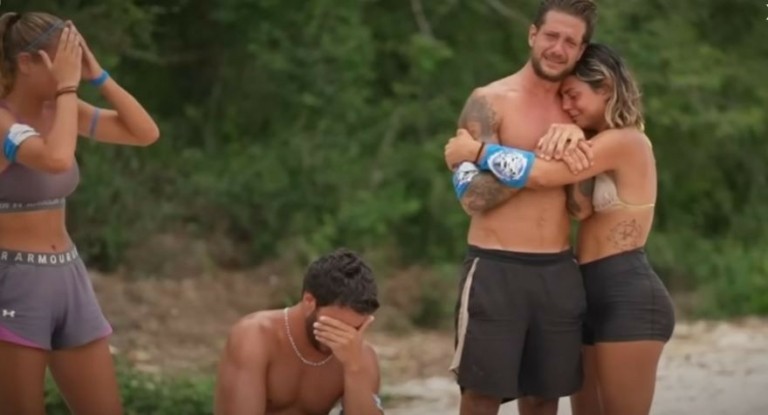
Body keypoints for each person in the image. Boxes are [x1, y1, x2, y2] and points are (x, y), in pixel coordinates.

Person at [445, 43, 675, 415]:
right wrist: (572, 134)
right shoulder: (591, 142)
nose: (566, 106)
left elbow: (544, 175)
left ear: (605, 88)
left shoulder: (626, 140)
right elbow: (579, 207)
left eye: (573, 95)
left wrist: (475, 152)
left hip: (627, 294)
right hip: (585, 290)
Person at [0, 11, 160, 415]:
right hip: (14, 281)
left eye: (76, 56)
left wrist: (98, 76)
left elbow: (144, 133)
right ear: (26, 62)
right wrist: (69, 88)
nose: (71, 67)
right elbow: (55, 159)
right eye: (64, 57)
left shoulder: (60, 110)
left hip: (68, 276)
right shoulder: (3, 120)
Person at [446, 1, 598, 414]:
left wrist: (576, 139)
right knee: (480, 396)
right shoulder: (488, 100)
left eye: (570, 42)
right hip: (495, 268)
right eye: (551, 36)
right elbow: (473, 197)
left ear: (581, 51)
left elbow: (581, 208)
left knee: (544, 398)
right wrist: (542, 158)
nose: (558, 48)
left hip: (557, 271)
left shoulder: (578, 113)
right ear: (533, 34)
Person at [214, 248, 384, 415]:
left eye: (355, 329)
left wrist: (354, 369)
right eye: (335, 326)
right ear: (309, 301)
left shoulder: (359, 356)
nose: (343, 338)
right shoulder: (255, 337)